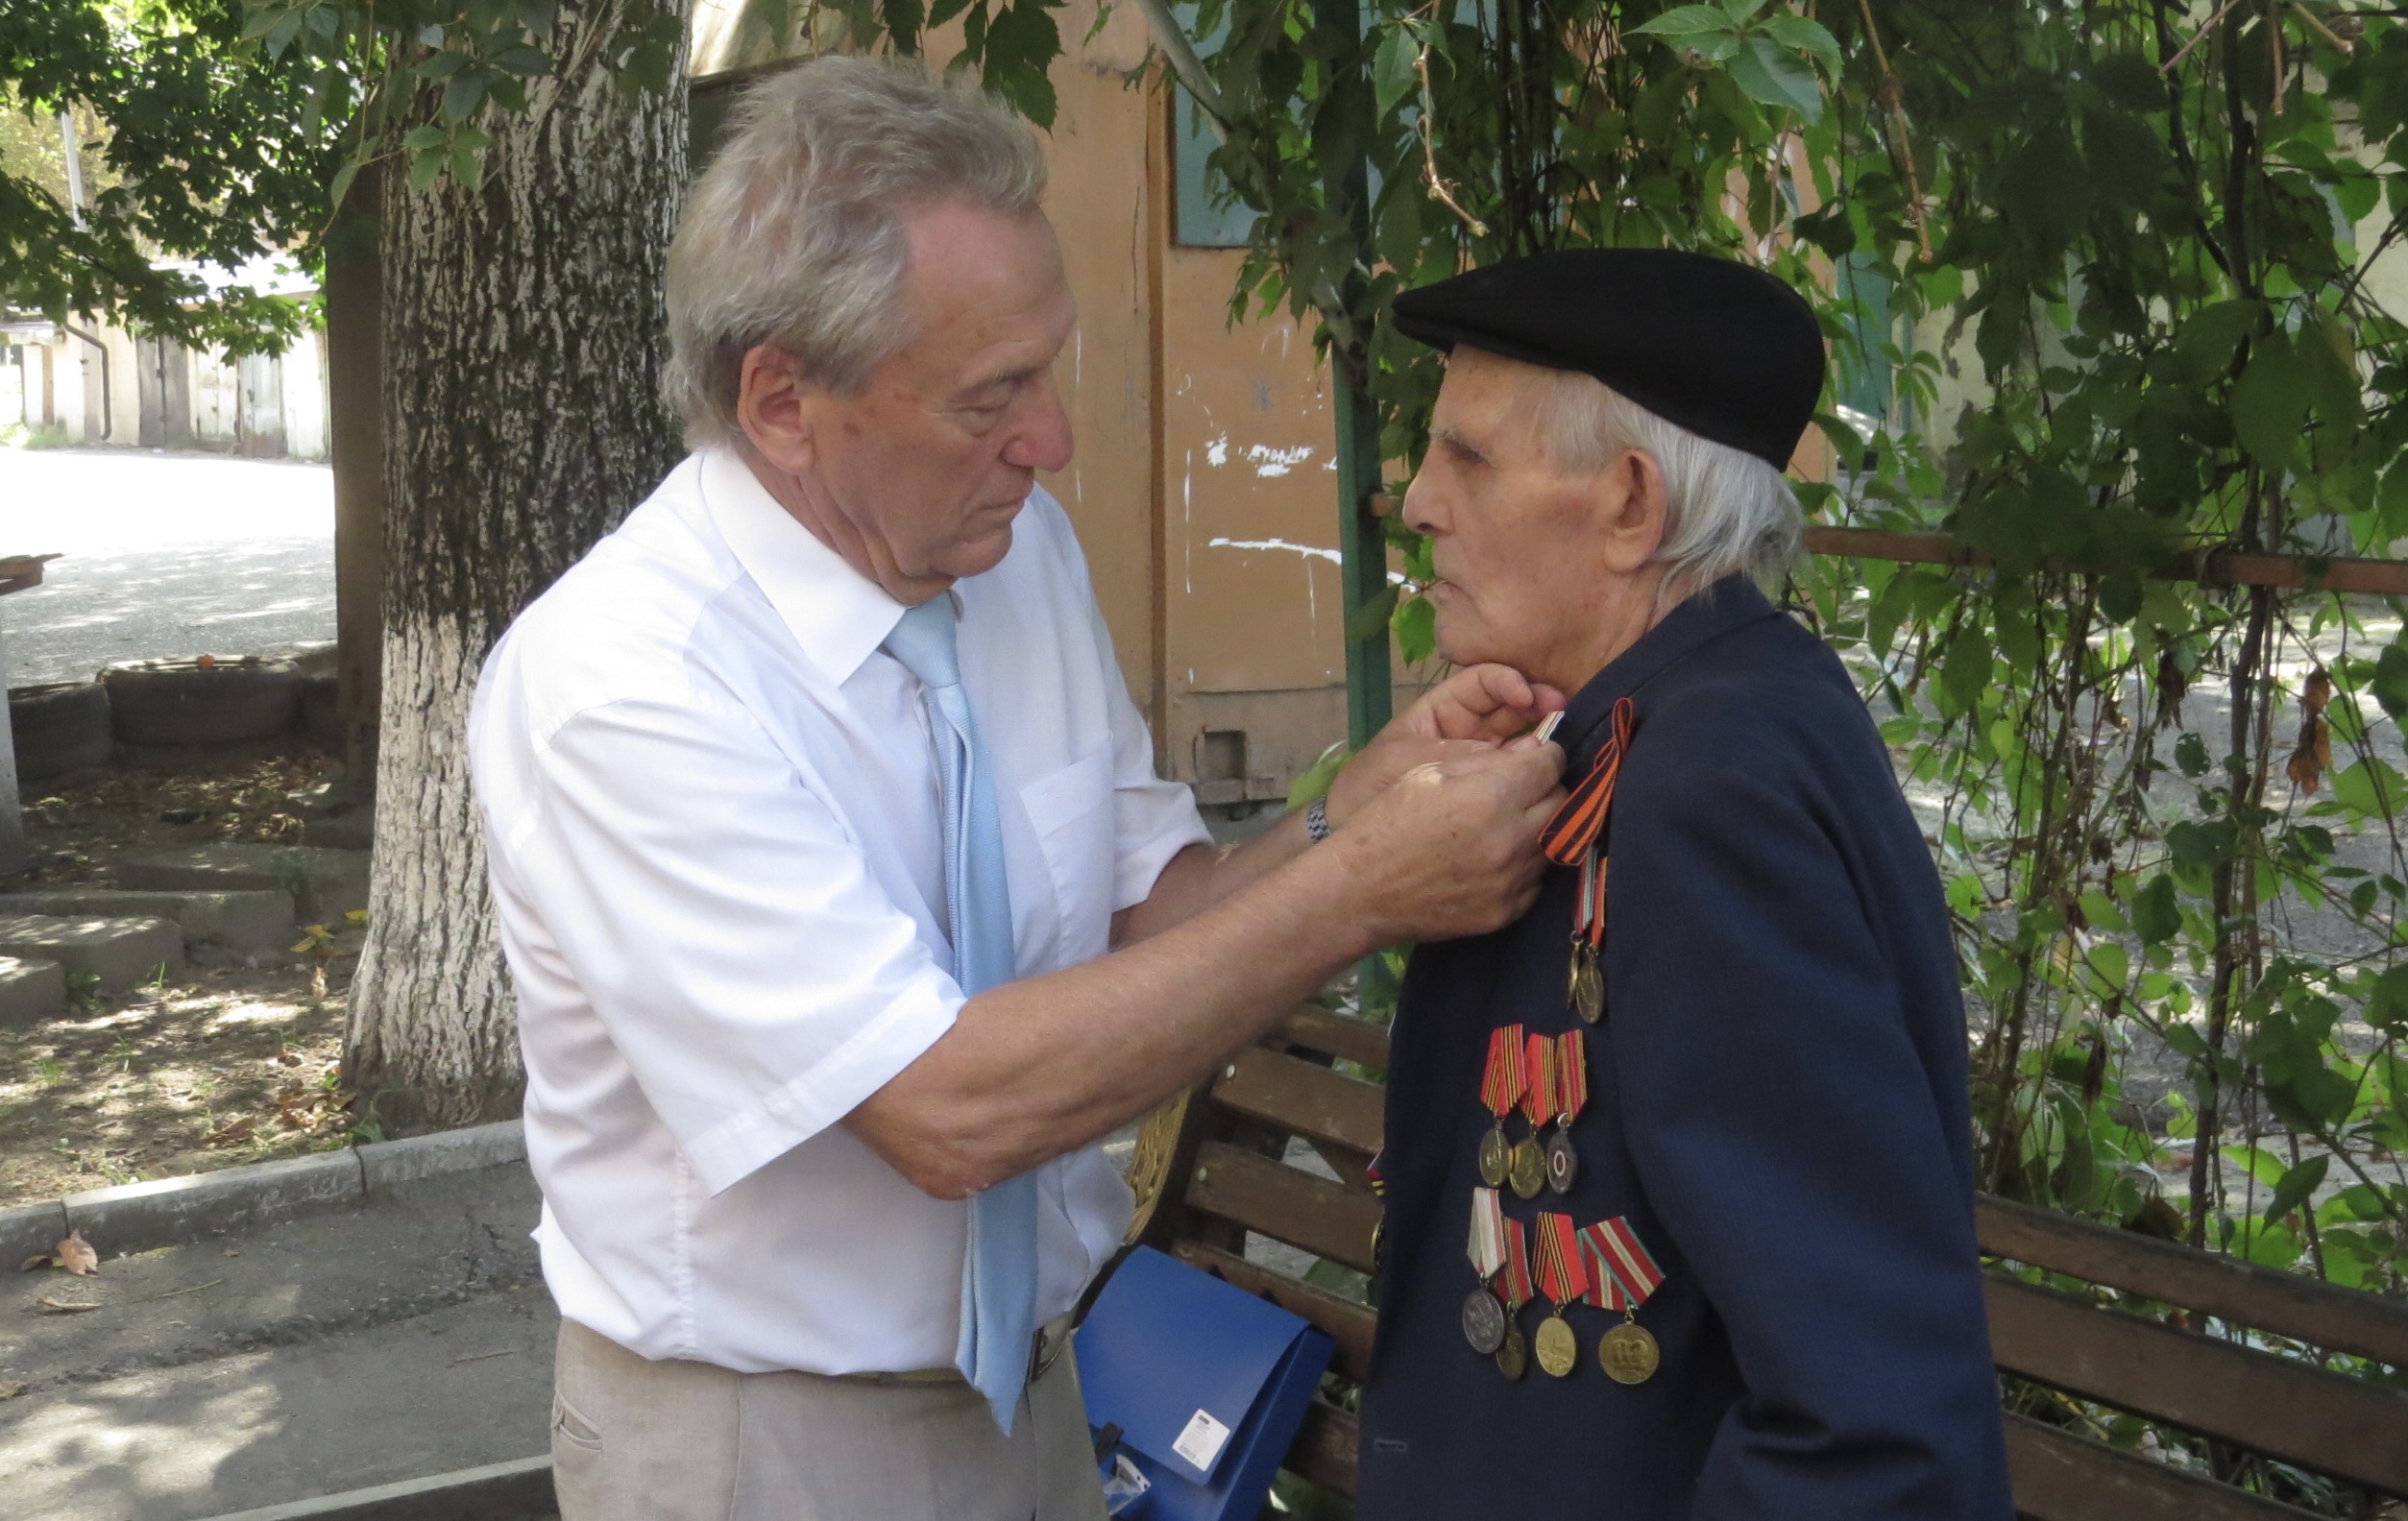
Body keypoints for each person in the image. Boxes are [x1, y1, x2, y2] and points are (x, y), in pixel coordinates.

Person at [467, 58, 1566, 1521]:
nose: (1051, 441)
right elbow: (945, 1112)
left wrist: (1344, 814)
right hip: (765, 1450)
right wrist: (1360, 891)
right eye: (994, 394)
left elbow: (1145, 911)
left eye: (1049, 368)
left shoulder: (1010, 550)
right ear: (784, 402)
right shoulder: (624, 687)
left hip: (1036, 1391)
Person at [1356, 248, 2014, 1519]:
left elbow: (1869, 1423)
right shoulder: (1683, 714)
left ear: (1629, 506)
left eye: (1468, 458)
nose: (1417, 501)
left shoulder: (1708, 781)